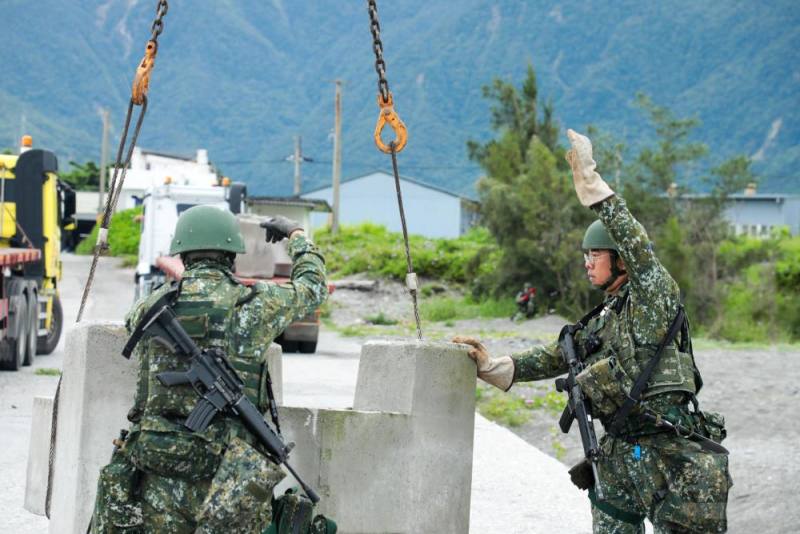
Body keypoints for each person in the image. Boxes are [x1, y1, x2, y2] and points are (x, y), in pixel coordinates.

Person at [454, 129, 731, 533]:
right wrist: (494, 365)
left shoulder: (653, 297)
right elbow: (556, 356)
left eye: (596, 254)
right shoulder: (602, 318)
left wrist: (593, 186)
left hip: (670, 450)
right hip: (619, 453)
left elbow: (637, 243)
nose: (587, 263)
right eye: (585, 255)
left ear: (620, 260)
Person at [91, 206, 328, 533]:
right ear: (232, 255)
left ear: (182, 254)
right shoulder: (255, 303)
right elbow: (313, 286)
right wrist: (296, 235)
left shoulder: (153, 304)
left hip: (159, 470)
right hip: (230, 479)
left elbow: (133, 322)